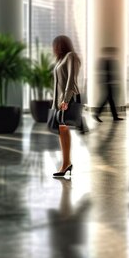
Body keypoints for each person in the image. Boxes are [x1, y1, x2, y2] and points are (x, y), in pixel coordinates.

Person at [50, 35, 84, 178]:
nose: (54, 49)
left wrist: (65, 99)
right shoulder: (60, 60)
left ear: (60, 45)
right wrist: (55, 104)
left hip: (67, 99)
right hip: (59, 101)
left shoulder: (71, 56)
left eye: (55, 46)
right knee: (62, 130)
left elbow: (72, 79)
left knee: (63, 128)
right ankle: (66, 163)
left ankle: (66, 164)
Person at [93, 46, 122, 123]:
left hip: (108, 84)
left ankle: (114, 116)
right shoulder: (104, 61)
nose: (114, 54)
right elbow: (103, 73)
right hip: (106, 84)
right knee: (107, 100)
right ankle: (97, 114)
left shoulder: (108, 60)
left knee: (110, 100)